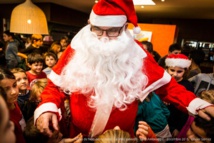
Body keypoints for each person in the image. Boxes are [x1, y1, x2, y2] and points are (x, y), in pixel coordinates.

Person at [35, 0, 214, 141]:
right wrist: (46, 108)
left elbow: (167, 87)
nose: (103, 38)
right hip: (78, 136)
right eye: (97, 29)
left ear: (124, 28)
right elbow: (55, 85)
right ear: (90, 23)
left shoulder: (136, 54)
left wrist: (198, 103)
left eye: (112, 31)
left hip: (120, 138)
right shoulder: (78, 47)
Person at [165, 54, 195, 138]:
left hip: (176, 121)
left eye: (179, 71)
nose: (175, 74)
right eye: (172, 70)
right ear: (167, 69)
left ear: (185, 71)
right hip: (162, 120)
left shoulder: (188, 86)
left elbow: (187, 110)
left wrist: (178, 128)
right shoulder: (163, 82)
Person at [0, 68, 26, 143]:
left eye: (14, 85)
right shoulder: (3, 117)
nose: (14, 92)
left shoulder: (15, 102)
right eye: (6, 89)